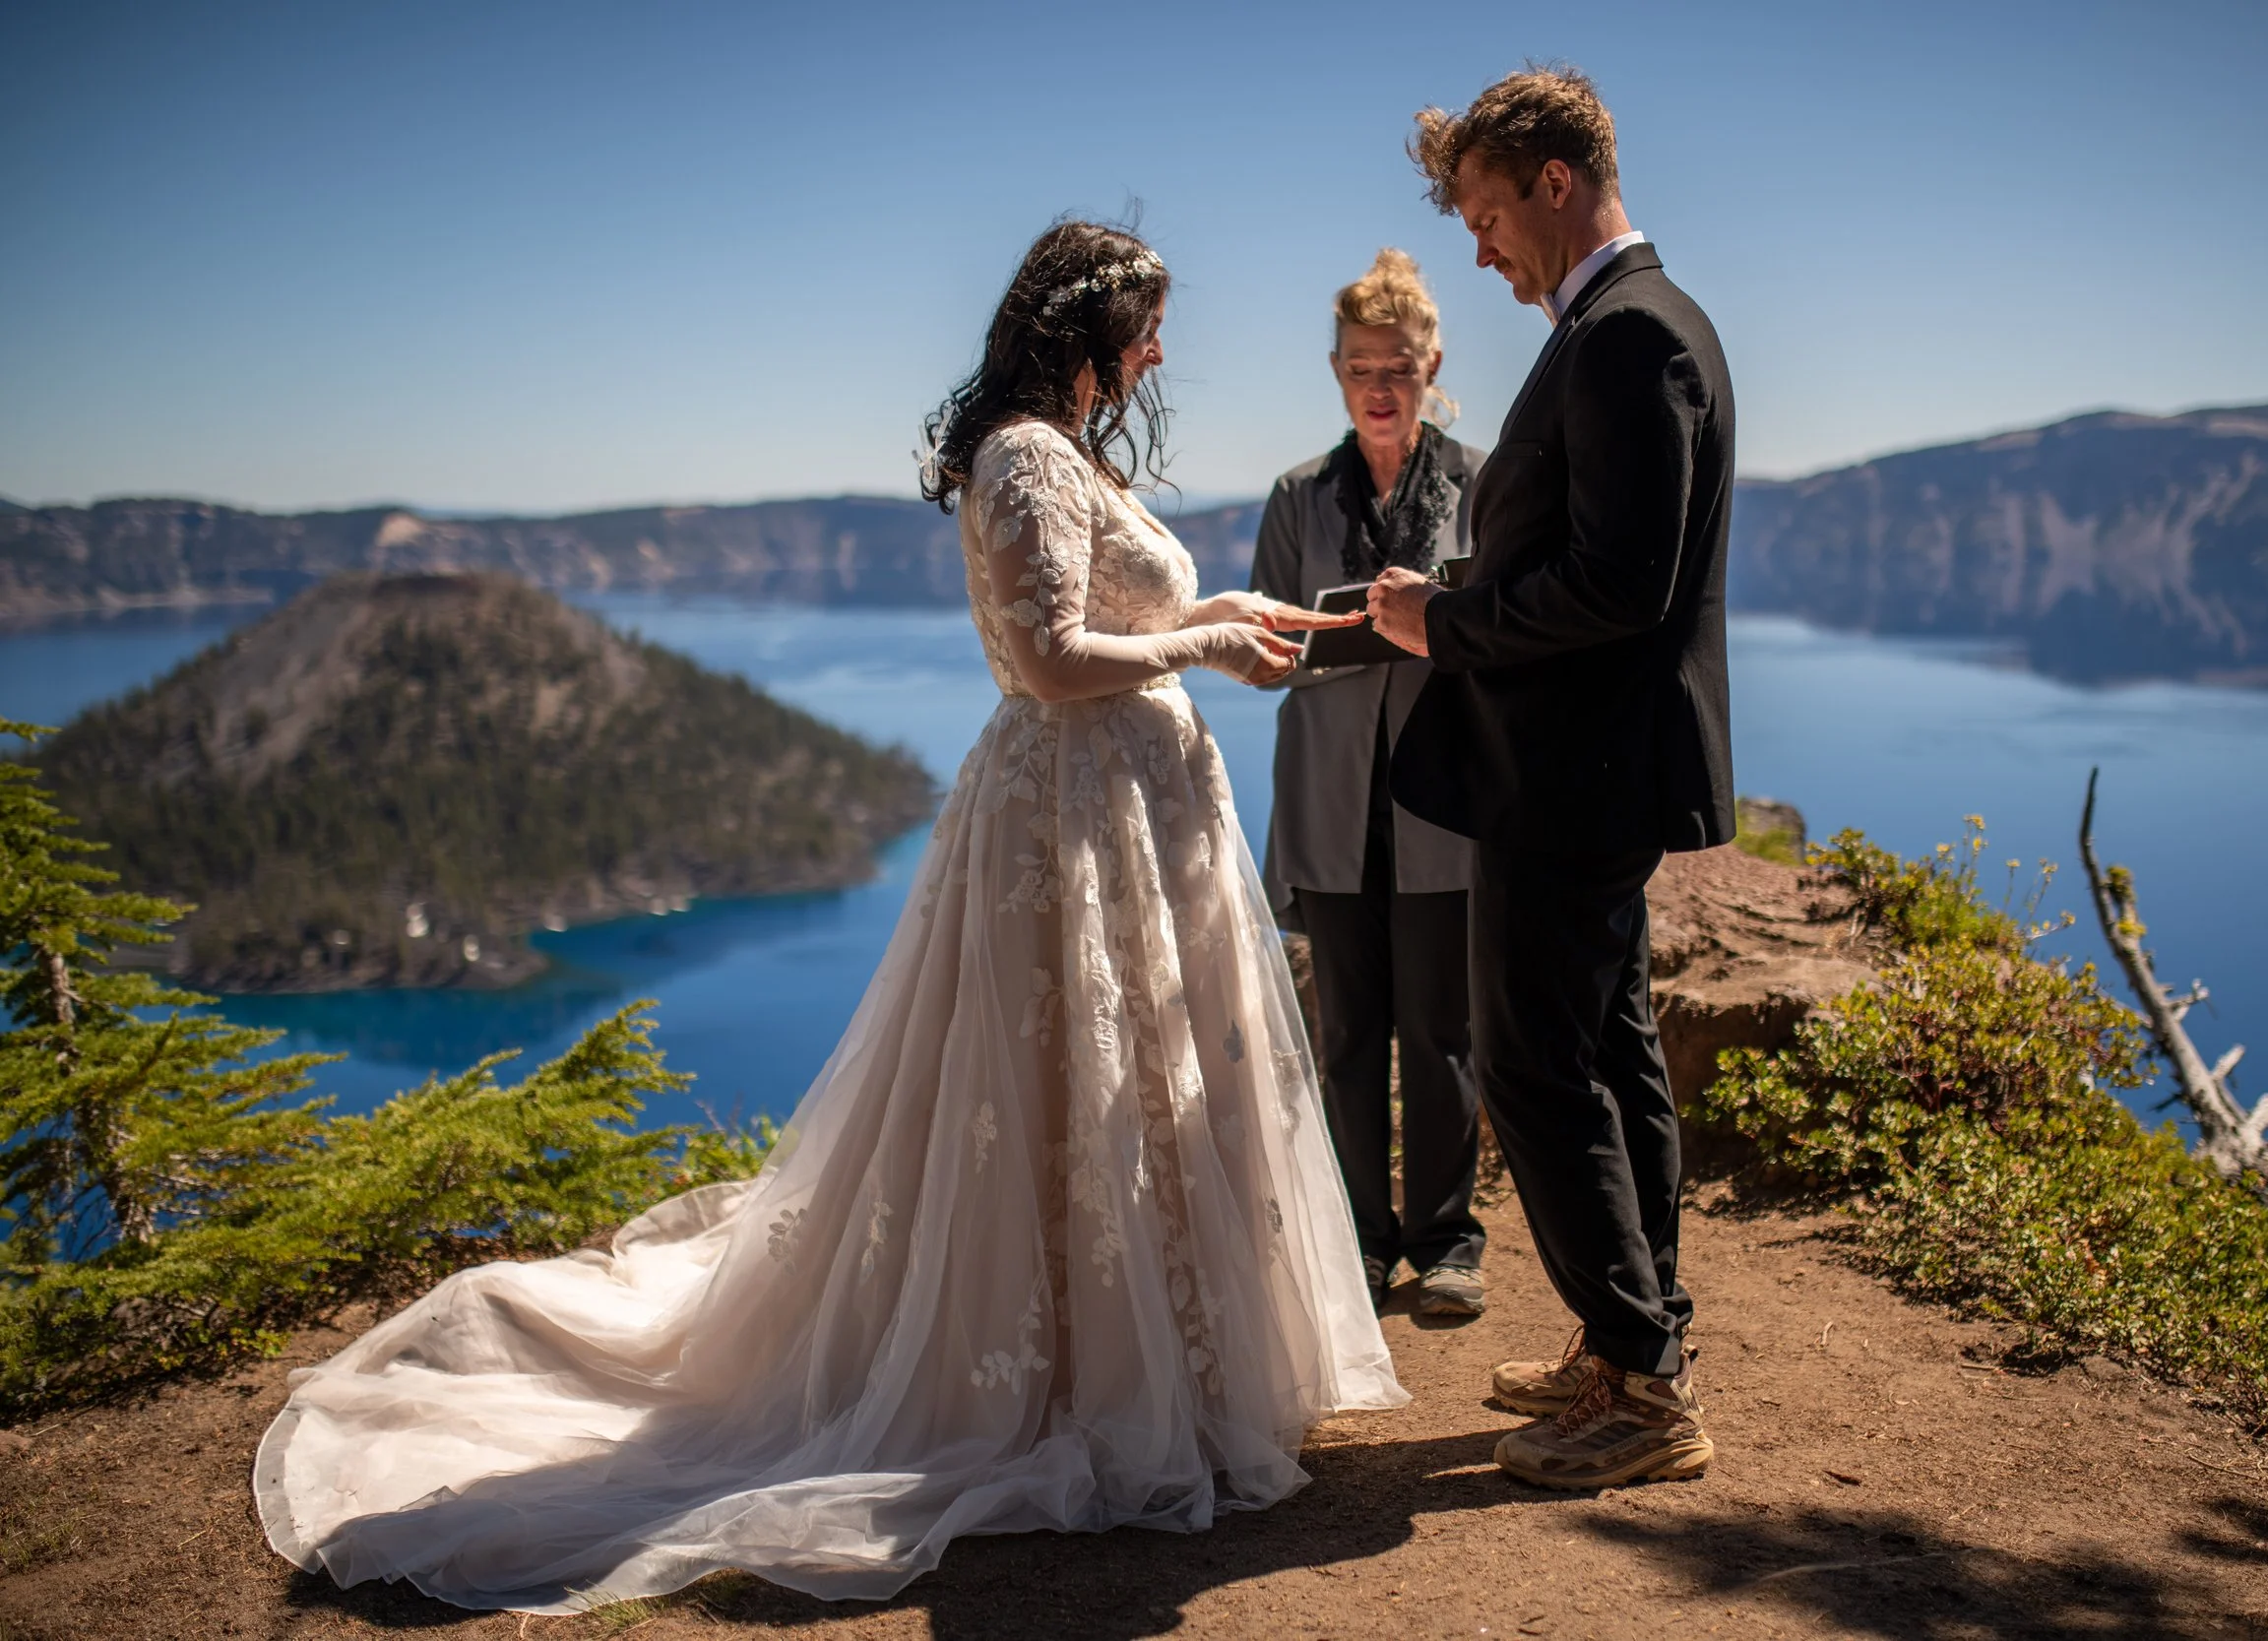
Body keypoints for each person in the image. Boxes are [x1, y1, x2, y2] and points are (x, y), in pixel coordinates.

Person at [255, 220, 1406, 1614]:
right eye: (1146, 325)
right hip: (1076, 821)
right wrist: (1203, 643)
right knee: (1070, 1085)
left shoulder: (1067, 452)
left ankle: (1144, 1362)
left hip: (1120, 816)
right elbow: (1046, 658)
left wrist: (1220, 606)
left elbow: (1097, 615)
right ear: (1086, 327)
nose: (1159, 350)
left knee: (1133, 1083)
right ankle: (1070, 1379)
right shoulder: (1030, 454)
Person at [1367, 67, 1734, 1490]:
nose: (1477, 244)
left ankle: (1644, 1389)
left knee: (1529, 1064)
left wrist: (1442, 624)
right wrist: (1455, 587)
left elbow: (1619, 584)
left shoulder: (1632, 336)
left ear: (1554, 184)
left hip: (1568, 775)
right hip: (1582, 767)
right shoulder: (1633, 326)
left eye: (1483, 210)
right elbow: (1581, 554)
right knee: (1612, 1052)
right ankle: (1633, 1340)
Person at [1251, 249, 1486, 1318]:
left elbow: (1512, 629)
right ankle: (1359, 1235)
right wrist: (1313, 636)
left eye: (1397, 366)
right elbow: (1259, 639)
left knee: (1440, 1034)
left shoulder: (1483, 483)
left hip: (1444, 801)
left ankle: (1447, 1240)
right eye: (1358, 369)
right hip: (1330, 799)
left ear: (1431, 364)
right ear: (1335, 374)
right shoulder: (1297, 496)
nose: (1379, 387)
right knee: (1346, 1035)